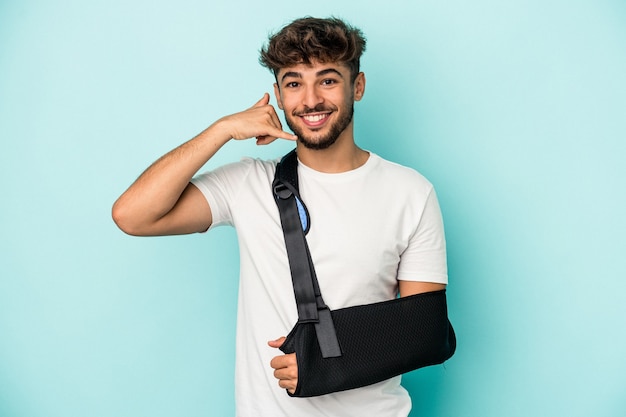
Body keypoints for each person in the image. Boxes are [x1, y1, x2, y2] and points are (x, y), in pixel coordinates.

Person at [112, 16, 448, 417]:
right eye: (293, 83)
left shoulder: (410, 192)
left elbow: (424, 332)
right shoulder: (248, 184)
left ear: (357, 86)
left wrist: (325, 361)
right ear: (277, 93)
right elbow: (132, 216)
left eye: (327, 80)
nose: (309, 101)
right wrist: (220, 131)